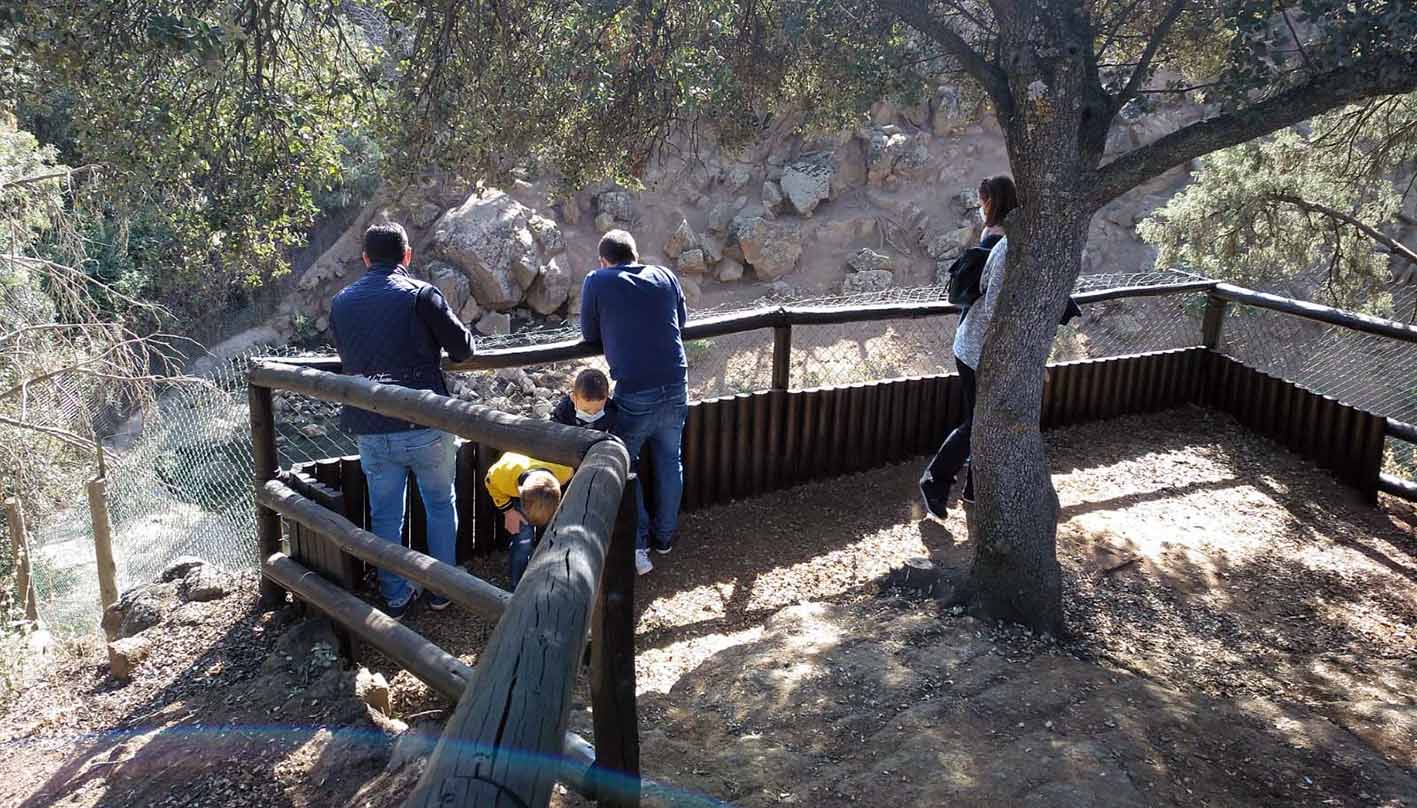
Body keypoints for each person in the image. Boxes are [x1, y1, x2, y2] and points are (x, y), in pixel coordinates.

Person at [330, 222, 475, 618]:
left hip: (371, 425)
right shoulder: (420, 295)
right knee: (441, 505)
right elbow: (462, 349)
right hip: (424, 422)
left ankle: (395, 595)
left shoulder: (342, 301)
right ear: (407, 256)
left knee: (386, 515)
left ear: (365, 258)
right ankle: (442, 589)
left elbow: (347, 355)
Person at [580, 229, 688, 576]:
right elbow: (681, 321)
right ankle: (665, 537)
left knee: (627, 468)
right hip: (676, 382)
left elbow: (588, 335)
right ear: (635, 255)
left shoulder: (597, 280)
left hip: (635, 389)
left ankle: (638, 544)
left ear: (604, 260)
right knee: (671, 461)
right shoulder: (665, 274)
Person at [919, 176, 1017, 519]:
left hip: (977, 341)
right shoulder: (1002, 241)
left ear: (992, 200)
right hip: (979, 346)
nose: (980, 206)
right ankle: (936, 481)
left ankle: (975, 487)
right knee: (978, 421)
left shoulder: (997, 236)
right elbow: (993, 304)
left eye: (983, 200)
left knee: (983, 419)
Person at [484, 452, 575, 587]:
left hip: (542, 491)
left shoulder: (564, 471)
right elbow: (490, 483)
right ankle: (516, 585)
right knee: (523, 540)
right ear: (519, 492)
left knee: (549, 535)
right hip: (516, 483)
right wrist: (509, 511)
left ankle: (544, 577)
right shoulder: (502, 476)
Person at [551, 368, 619, 433]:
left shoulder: (610, 408)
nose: (592, 414)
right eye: (585, 410)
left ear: (606, 398)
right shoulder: (564, 410)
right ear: (573, 398)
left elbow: (613, 429)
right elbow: (555, 429)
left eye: (598, 410)